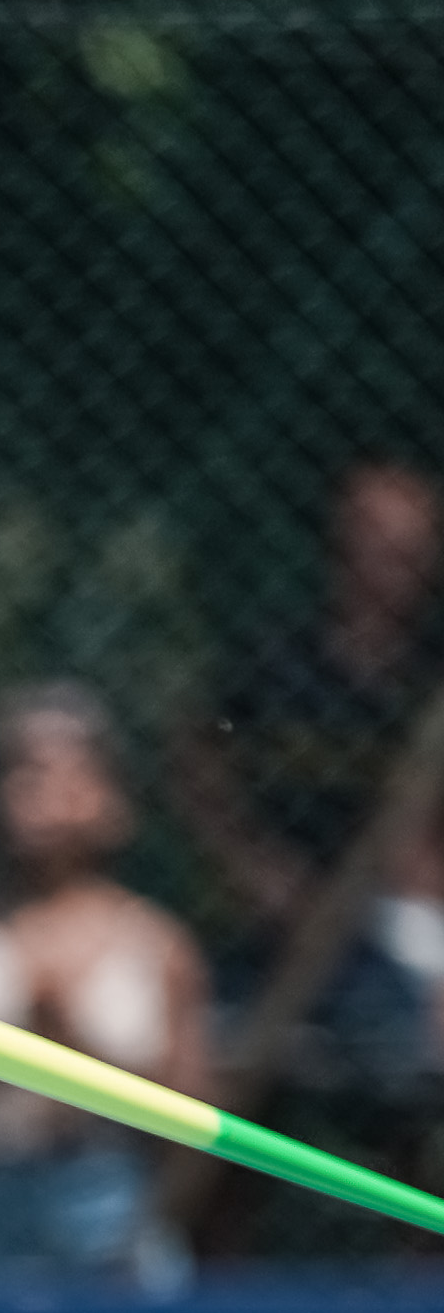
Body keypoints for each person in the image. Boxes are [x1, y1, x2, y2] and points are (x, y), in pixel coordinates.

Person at [0, 684, 209, 1292]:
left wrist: (72, 1046)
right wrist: (4, 1048)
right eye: (16, 772)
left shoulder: (158, 942)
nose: (31, 794)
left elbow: (191, 1116)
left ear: (110, 796)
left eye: (58, 774)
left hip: (114, 1199)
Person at [177, 461, 444, 1113]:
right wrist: (251, 865)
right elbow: (194, 756)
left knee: (411, 1074)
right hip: (268, 920)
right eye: (372, 540)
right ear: (338, 543)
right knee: (214, 1073)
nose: (387, 563)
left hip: (394, 925)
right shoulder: (274, 661)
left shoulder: (430, 681)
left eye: (409, 547)